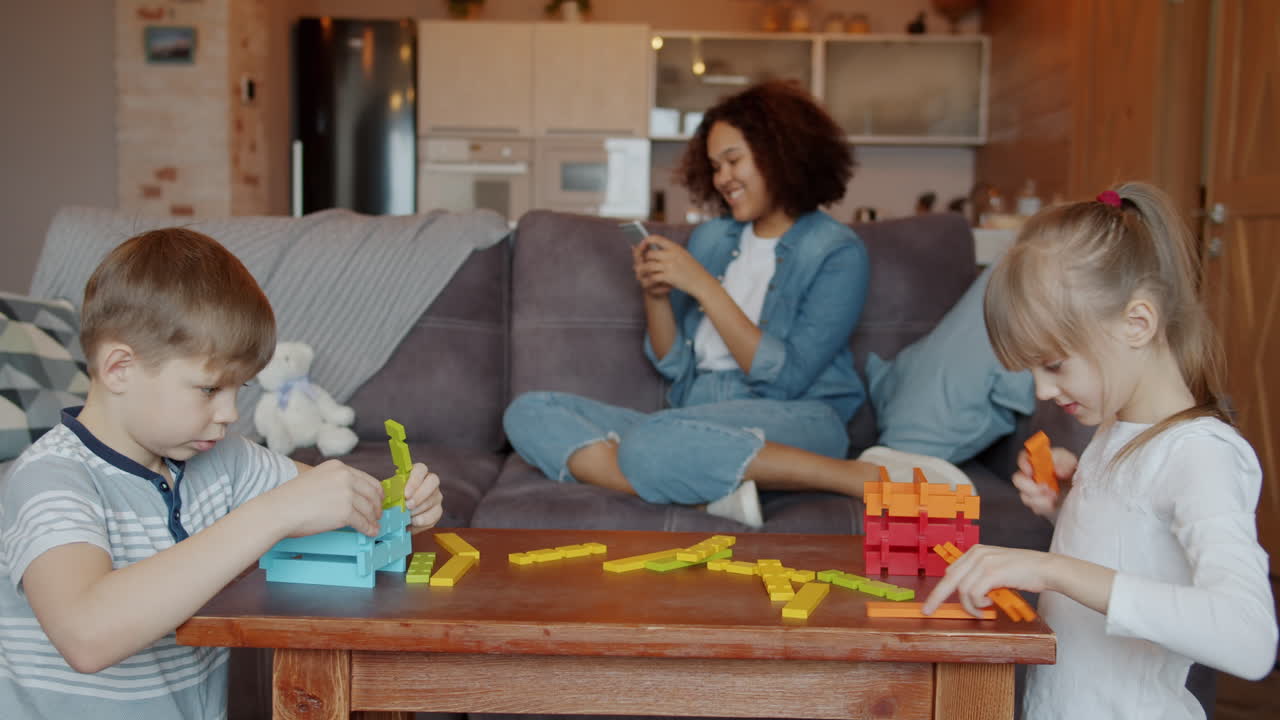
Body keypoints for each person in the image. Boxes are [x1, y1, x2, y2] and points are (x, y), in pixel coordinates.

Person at [0, 228, 445, 719]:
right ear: (120, 369)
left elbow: (332, 501)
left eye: (240, 387)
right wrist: (272, 513)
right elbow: (87, 634)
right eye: (210, 389)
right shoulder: (50, 480)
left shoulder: (222, 459)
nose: (232, 412)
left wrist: (397, 505)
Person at [504, 80, 968, 528]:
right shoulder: (712, 238)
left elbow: (788, 378)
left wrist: (705, 287)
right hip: (697, 415)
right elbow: (674, 365)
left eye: (733, 161)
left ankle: (859, 478)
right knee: (528, 411)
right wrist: (656, 295)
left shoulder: (835, 250)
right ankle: (709, 496)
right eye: (714, 166)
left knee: (651, 440)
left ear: (779, 154)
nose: (722, 178)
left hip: (801, 416)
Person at [921, 183, 1278, 718]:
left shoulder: (1203, 454)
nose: (1041, 392)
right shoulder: (1117, 433)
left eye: (1055, 365)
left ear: (1137, 323)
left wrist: (1052, 570)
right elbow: (1144, 548)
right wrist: (1068, 504)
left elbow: (1249, 639)